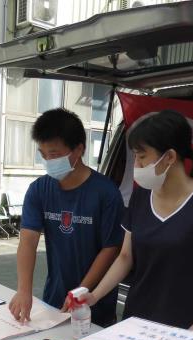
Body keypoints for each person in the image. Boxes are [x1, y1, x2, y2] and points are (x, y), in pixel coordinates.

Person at [80, 110, 193, 334]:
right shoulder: (140, 197)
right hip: (136, 322)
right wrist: (94, 295)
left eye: (141, 157)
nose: (136, 165)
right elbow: (125, 257)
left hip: (189, 327)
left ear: (169, 157)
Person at [8, 108, 124, 327]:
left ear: (78, 149)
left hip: (95, 302)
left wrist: (81, 292)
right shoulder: (39, 190)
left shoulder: (106, 193)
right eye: (43, 155)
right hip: (54, 299)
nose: (48, 161)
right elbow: (28, 241)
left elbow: (111, 249)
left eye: (54, 154)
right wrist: (24, 290)